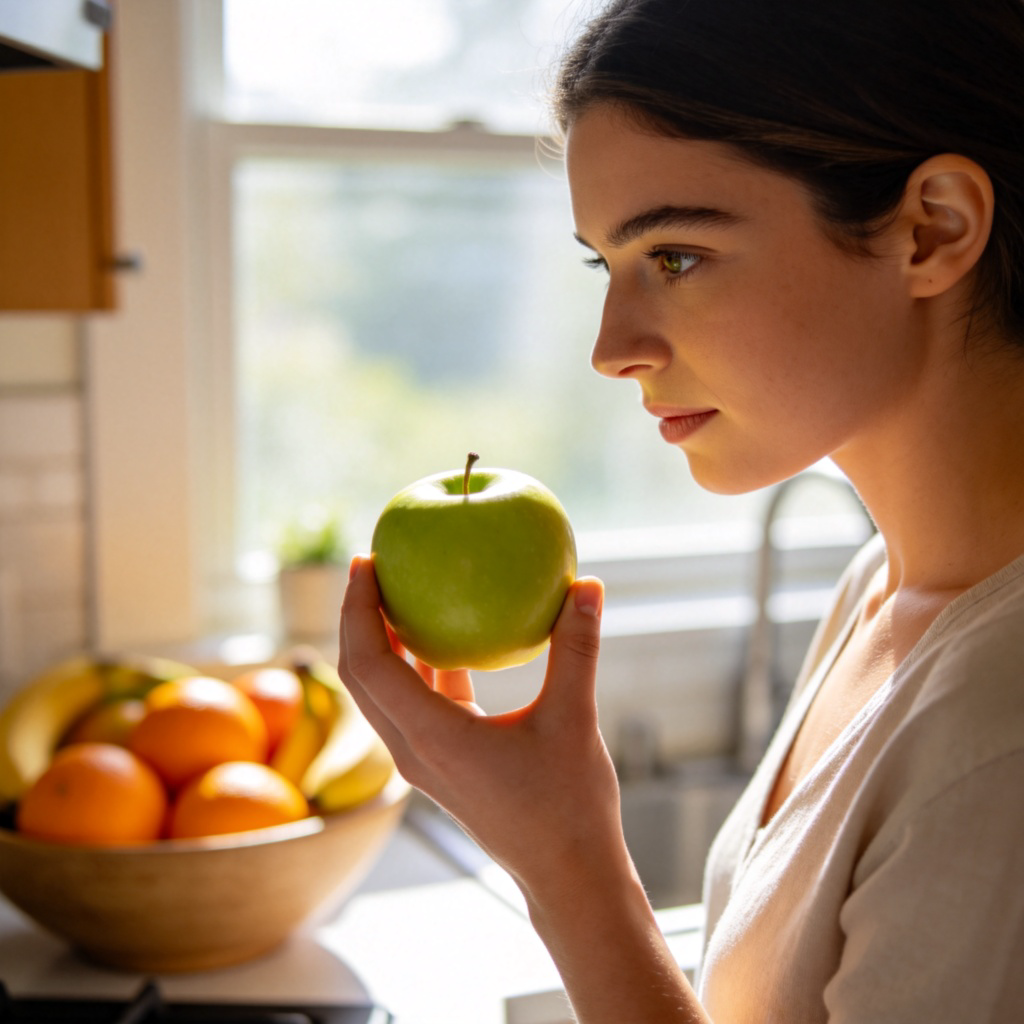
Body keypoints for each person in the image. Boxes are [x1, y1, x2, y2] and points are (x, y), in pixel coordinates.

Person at [338, 0, 1024, 1019]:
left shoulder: (998, 730)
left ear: (931, 229)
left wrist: (565, 861)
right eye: (603, 264)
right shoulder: (880, 586)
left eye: (674, 256)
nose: (612, 348)